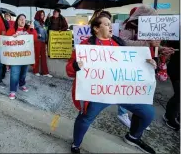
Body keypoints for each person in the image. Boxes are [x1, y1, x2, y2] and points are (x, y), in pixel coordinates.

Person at [67, 14, 157, 154]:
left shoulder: (119, 43)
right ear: (96, 28)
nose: (111, 26)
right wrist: (75, 66)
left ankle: (133, 136)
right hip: (98, 93)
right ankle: (76, 144)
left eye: (111, 24)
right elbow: (69, 71)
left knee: (148, 113)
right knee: (85, 118)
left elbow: (132, 64)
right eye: (106, 24)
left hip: (121, 91)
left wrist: (149, 64)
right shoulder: (86, 46)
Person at [6, 14, 38, 99]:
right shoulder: (12, 29)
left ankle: (22, 84)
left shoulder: (28, 30)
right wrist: (12, 37)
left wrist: (32, 29)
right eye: (20, 19)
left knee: (23, 73)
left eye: (24, 19)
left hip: (25, 56)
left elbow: (35, 38)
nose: (22, 20)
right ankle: (13, 90)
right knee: (14, 74)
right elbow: (6, 40)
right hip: (15, 57)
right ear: (17, 21)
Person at [162, 39, 180, 130]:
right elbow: (171, 46)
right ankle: (170, 116)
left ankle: (173, 115)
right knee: (179, 94)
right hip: (176, 69)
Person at [33, 10, 52, 77]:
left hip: (43, 41)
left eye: (43, 15)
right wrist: (43, 28)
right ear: (38, 15)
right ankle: (36, 71)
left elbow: (45, 29)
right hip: (38, 41)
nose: (42, 16)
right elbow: (40, 29)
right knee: (37, 56)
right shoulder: (36, 22)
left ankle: (45, 72)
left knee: (44, 57)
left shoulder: (43, 23)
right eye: (41, 15)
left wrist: (48, 18)